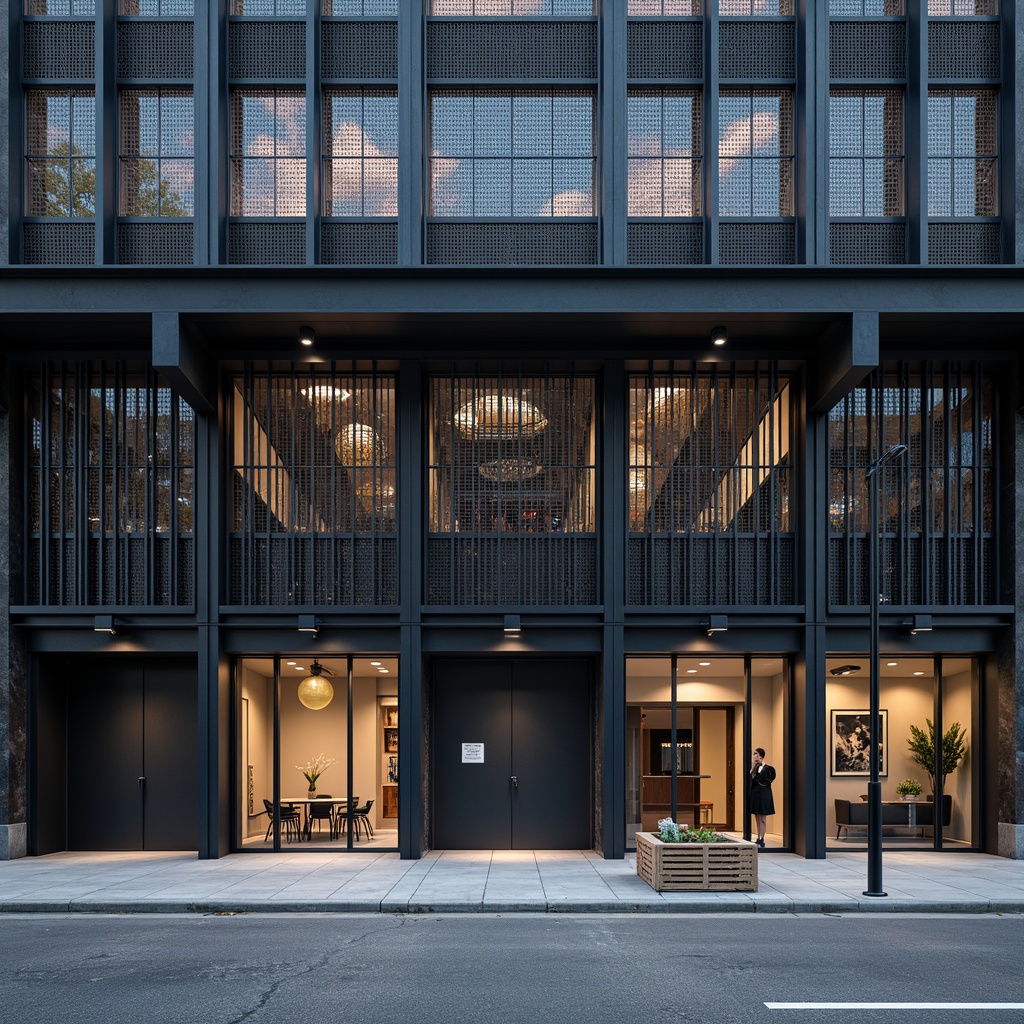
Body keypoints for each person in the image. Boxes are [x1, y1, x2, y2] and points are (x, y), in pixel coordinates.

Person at [749, 747, 776, 849]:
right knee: (757, 816)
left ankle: (762, 838)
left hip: (764, 794)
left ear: (760, 755)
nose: (754, 756)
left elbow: (770, 778)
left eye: (755, 754)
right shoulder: (754, 768)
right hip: (756, 793)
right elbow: (751, 776)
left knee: (763, 817)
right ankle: (758, 837)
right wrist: (753, 765)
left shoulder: (768, 768)